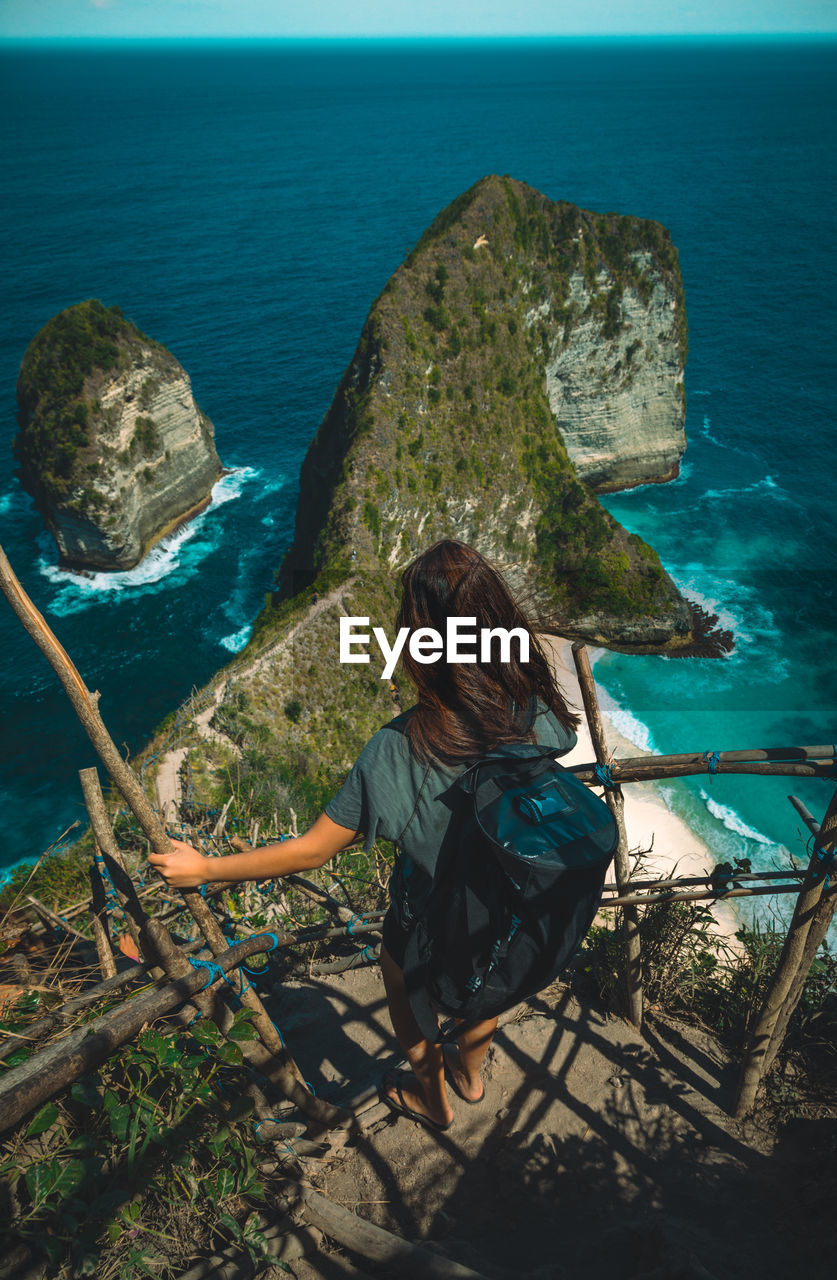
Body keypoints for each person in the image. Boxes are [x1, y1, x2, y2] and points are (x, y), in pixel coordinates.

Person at [150, 539, 579, 1132]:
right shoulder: (531, 704)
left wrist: (204, 870)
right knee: (486, 991)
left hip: (430, 912)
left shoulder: (399, 747)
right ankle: (472, 1078)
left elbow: (313, 850)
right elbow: (555, 750)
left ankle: (433, 1099)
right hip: (507, 901)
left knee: (408, 1000)